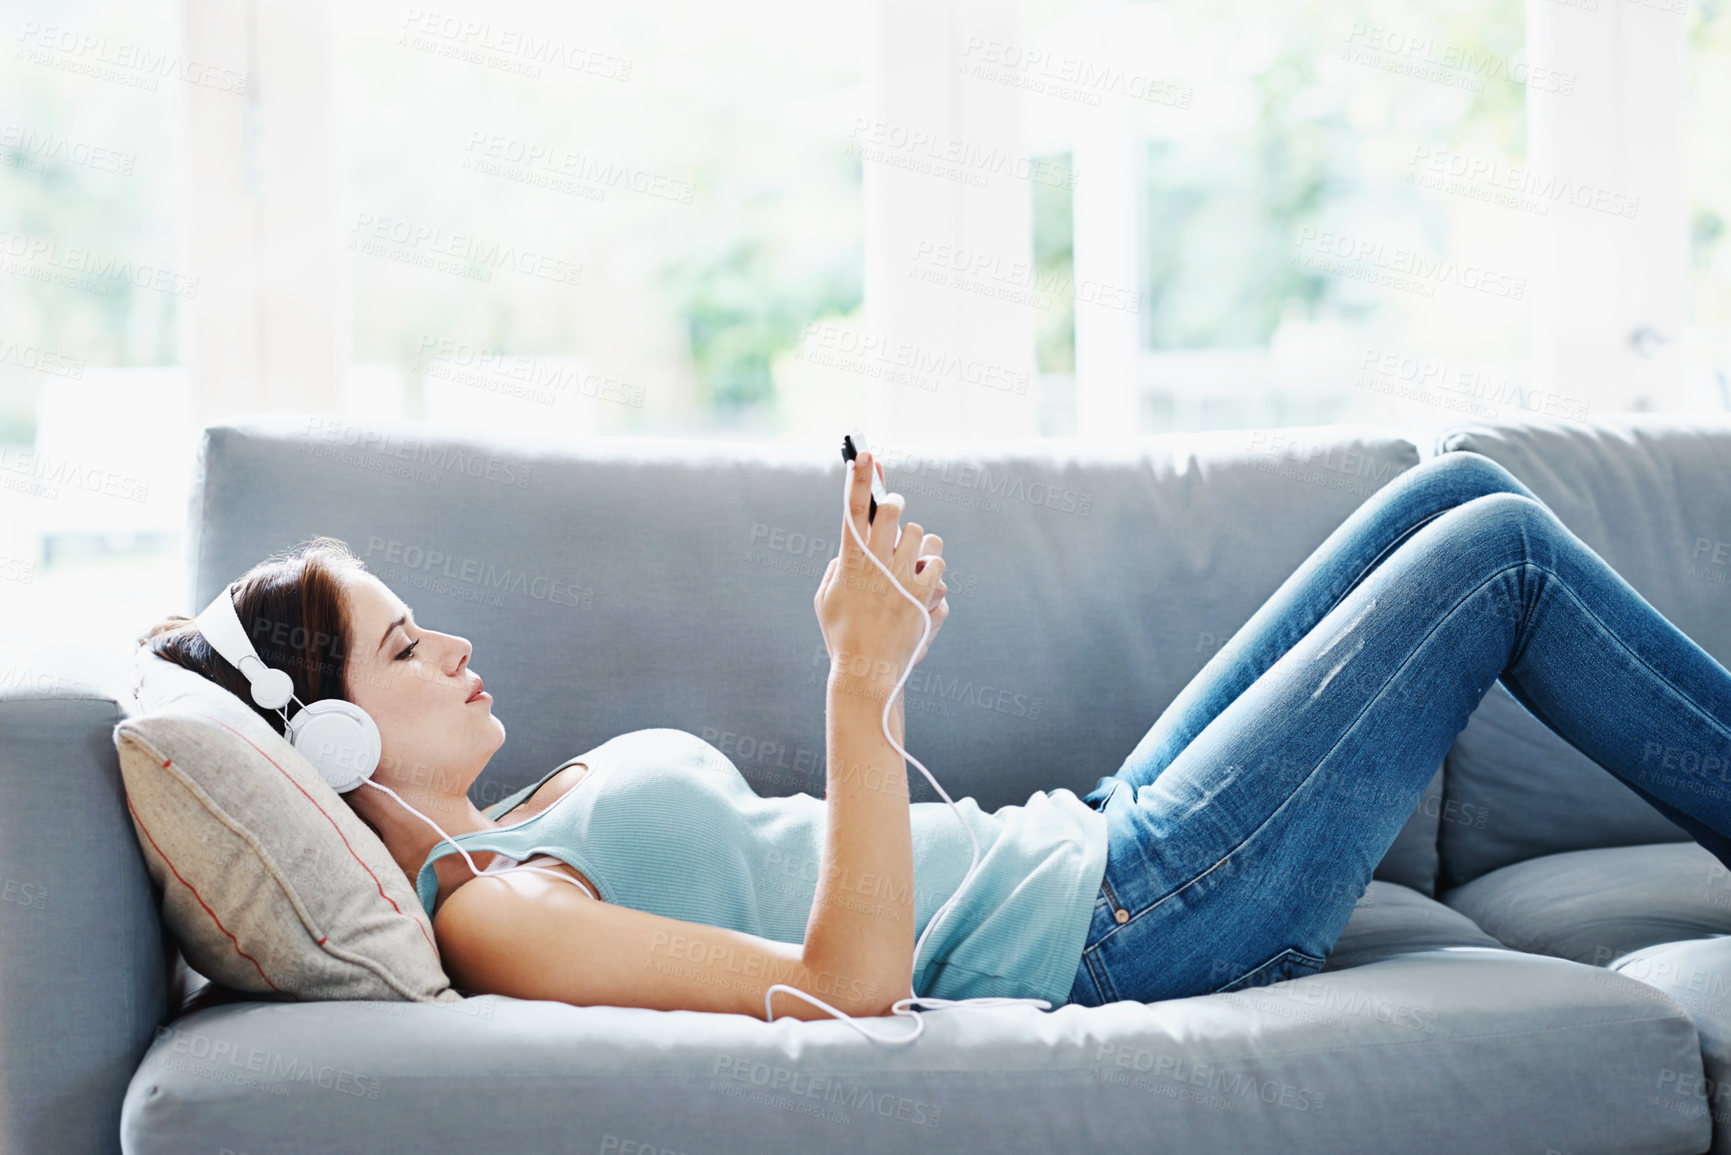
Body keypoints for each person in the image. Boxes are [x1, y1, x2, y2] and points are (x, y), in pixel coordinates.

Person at [141, 447, 1731, 1022]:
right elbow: (845, 986)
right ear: (338, 744)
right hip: (1139, 921)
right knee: (1496, 553)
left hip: (1094, 830)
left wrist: (882, 666)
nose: (461, 647)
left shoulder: (531, 820)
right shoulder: (496, 912)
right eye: (409, 647)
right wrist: (859, 684)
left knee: (1443, 500)